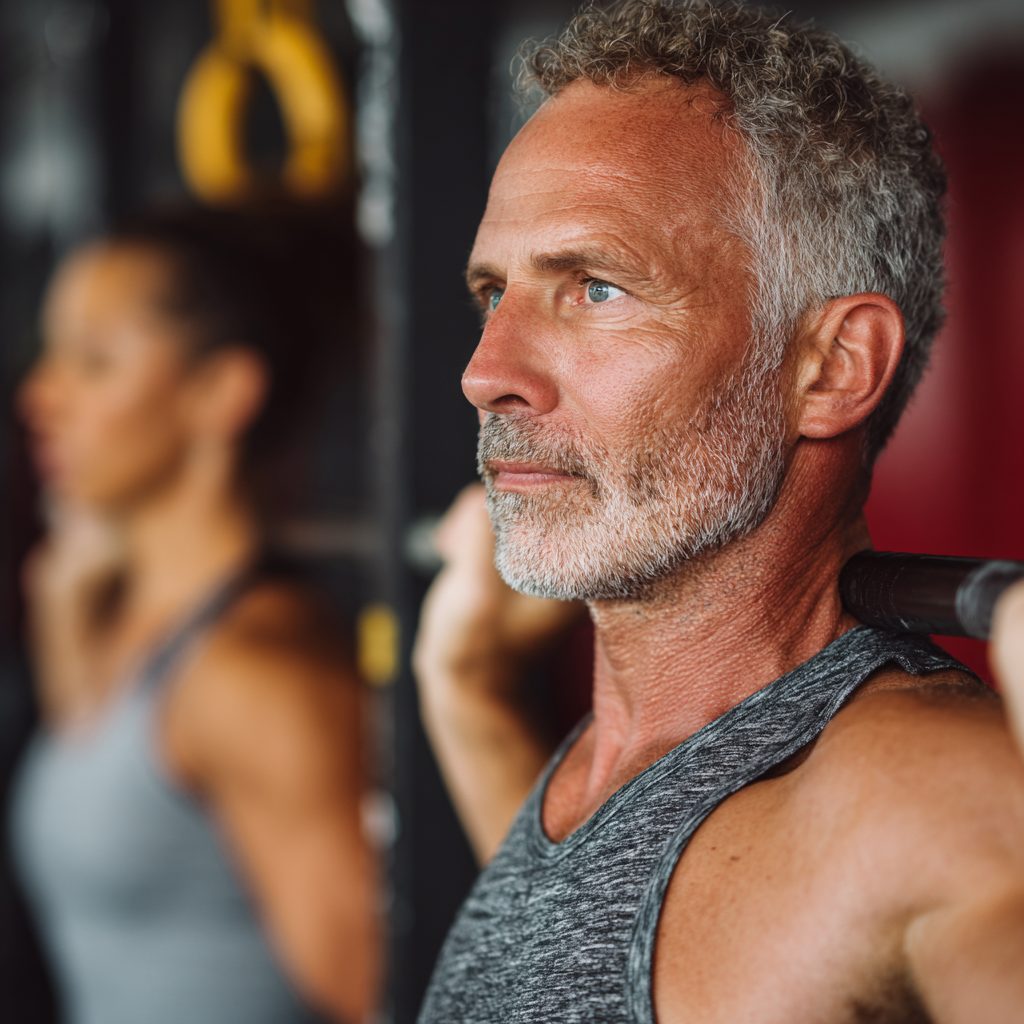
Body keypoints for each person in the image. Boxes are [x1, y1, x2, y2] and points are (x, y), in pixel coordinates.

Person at [412, 2, 1024, 1021]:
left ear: (829, 367)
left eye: (595, 289)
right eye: (494, 294)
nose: (487, 373)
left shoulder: (920, 799)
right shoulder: (612, 757)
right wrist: (464, 687)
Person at [10, 206, 380, 1024]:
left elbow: (382, 997)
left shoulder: (257, 675)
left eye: (94, 362)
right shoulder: (109, 620)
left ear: (219, 392)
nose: (40, 395)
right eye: (50, 354)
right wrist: (63, 605)